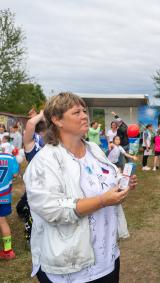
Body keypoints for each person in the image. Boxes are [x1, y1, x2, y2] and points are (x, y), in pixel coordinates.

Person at [23, 92, 137, 282]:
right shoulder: (45, 161)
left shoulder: (94, 150)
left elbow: (107, 178)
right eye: (76, 112)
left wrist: (121, 184)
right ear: (57, 120)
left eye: (84, 111)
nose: (85, 115)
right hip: (71, 268)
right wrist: (101, 201)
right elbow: (54, 207)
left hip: (107, 259)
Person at [15, 109, 47, 245]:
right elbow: (30, 125)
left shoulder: (51, 144)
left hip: (49, 185)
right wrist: (41, 114)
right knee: (31, 212)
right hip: (35, 187)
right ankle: (31, 238)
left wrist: (41, 117)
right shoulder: (31, 146)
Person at [0, 151, 19, 259]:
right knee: (2, 221)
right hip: (4, 196)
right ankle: (8, 251)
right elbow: (15, 174)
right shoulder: (10, 157)